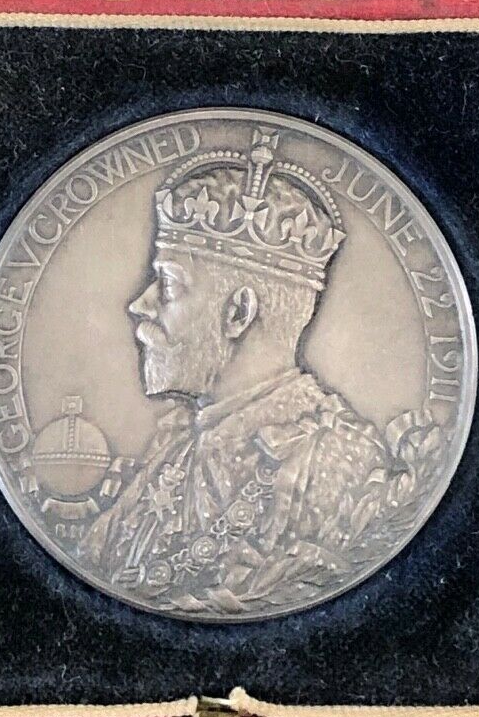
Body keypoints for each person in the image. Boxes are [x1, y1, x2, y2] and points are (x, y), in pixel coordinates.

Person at [80, 127, 400, 615]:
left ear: (238, 314)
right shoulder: (171, 454)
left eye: (168, 285)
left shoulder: (344, 464)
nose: (139, 305)